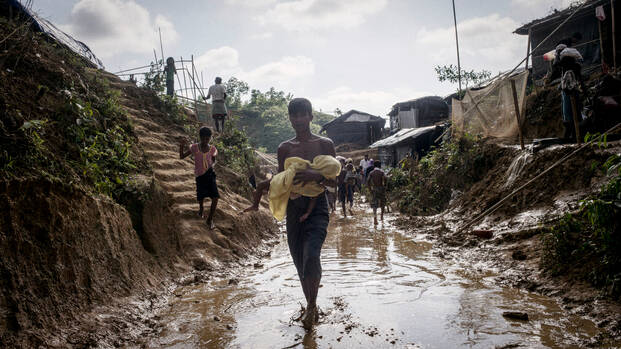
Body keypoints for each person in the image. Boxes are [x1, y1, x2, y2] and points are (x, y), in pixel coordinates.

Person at [244, 98, 337, 330]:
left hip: (318, 206)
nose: (298, 120)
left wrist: (316, 177)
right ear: (290, 118)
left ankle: (313, 306)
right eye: (293, 116)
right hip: (293, 209)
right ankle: (310, 305)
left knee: (312, 254)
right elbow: (280, 181)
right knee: (299, 261)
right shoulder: (285, 148)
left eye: (302, 115)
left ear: (311, 116)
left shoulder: (325, 144)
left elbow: (336, 180)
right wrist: (258, 198)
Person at [179, 126, 219, 229]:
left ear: (210, 138)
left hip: (210, 174)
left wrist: (211, 166)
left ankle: (210, 219)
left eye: (207, 139)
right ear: (200, 137)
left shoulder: (212, 149)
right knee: (201, 195)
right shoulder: (194, 148)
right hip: (200, 175)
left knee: (215, 197)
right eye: (203, 138)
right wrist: (181, 146)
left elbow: (214, 160)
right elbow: (182, 156)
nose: (205, 141)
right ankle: (201, 208)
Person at [547, 44, 584, 140]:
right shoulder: (575, 66)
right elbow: (581, 80)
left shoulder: (567, 67)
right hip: (574, 92)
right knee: (574, 114)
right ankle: (574, 135)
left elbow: (556, 64)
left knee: (569, 115)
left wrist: (558, 53)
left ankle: (572, 135)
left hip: (569, 94)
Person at [367, 161, 387, 225]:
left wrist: (370, 189)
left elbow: (368, 181)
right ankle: (381, 216)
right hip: (381, 189)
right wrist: (385, 186)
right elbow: (386, 178)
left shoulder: (371, 172)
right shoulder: (381, 172)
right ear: (380, 165)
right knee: (382, 202)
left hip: (374, 189)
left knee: (374, 204)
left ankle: (375, 218)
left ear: (374, 166)